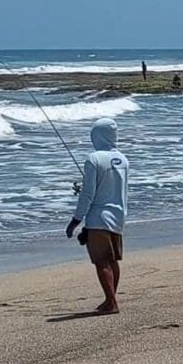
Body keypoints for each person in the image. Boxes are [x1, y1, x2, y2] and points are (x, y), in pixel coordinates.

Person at [65, 118, 129, 314]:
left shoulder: (93, 159)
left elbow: (88, 194)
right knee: (112, 260)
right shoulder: (123, 160)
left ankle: (111, 302)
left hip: (98, 217)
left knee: (101, 261)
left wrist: (76, 220)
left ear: (97, 135)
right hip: (118, 216)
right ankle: (110, 299)